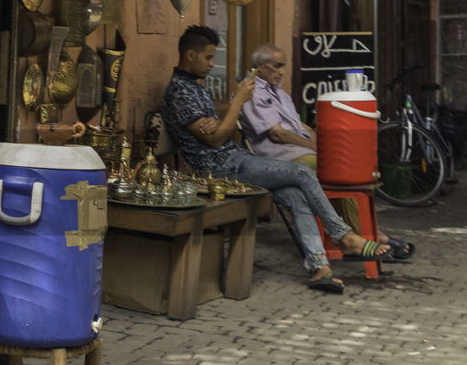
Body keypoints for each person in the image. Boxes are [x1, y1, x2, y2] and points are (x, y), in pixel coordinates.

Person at [160, 25, 391, 293]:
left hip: (233, 159)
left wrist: (220, 124)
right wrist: (238, 102)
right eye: (208, 58)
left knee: (295, 193)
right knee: (301, 173)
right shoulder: (179, 91)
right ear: (190, 55)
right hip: (218, 169)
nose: (212, 64)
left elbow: (218, 129)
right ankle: (345, 237)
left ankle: (319, 268)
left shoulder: (195, 87)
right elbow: (215, 139)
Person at [239, 43, 413, 260]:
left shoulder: (279, 93)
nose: (282, 71)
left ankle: (366, 235)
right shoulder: (252, 91)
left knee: (342, 168)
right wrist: (316, 148)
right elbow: (277, 134)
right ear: (260, 66)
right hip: (278, 156)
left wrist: (323, 145)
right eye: (277, 66)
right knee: (334, 169)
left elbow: (301, 127)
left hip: (297, 150)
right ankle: (366, 237)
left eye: (283, 66)